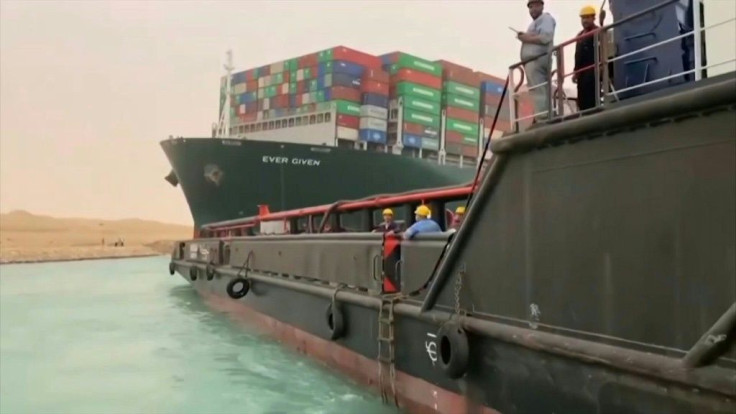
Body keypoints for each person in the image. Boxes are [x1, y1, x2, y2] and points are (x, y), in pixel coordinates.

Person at [517, 0, 556, 122]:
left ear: (541, 6)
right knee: (538, 89)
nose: (532, 9)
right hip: (533, 62)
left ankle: (543, 116)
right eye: (530, 7)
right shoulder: (535, 23)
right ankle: (542, 114)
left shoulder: (546, 19)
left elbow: (545, 37)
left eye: (535, 6)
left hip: (538, 60)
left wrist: (526, 38)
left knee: (539, 88)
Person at [573, 5, 600, 112]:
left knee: (591, 97)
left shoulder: (598, 31)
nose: (585, 20)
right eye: (583, 18)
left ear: (593, 18)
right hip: (582, 72)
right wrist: (575, 72)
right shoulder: (579, 35)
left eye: (588, 17)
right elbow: (577, 55)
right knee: (582, 97)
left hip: (593, 69)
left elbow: (602, 49)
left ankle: (592, 112)